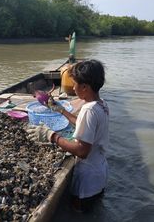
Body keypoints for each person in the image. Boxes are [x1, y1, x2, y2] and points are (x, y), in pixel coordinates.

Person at [37, 59, 109, 212]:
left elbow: (82, 151)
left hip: (87, 181)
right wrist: (60, 110)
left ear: (84, 87)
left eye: (75, 83)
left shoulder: (88, 111)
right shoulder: (101, 104)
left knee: (78, 212)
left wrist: (53, 136)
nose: (73, 87)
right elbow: (84, 125)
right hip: (99, 172)